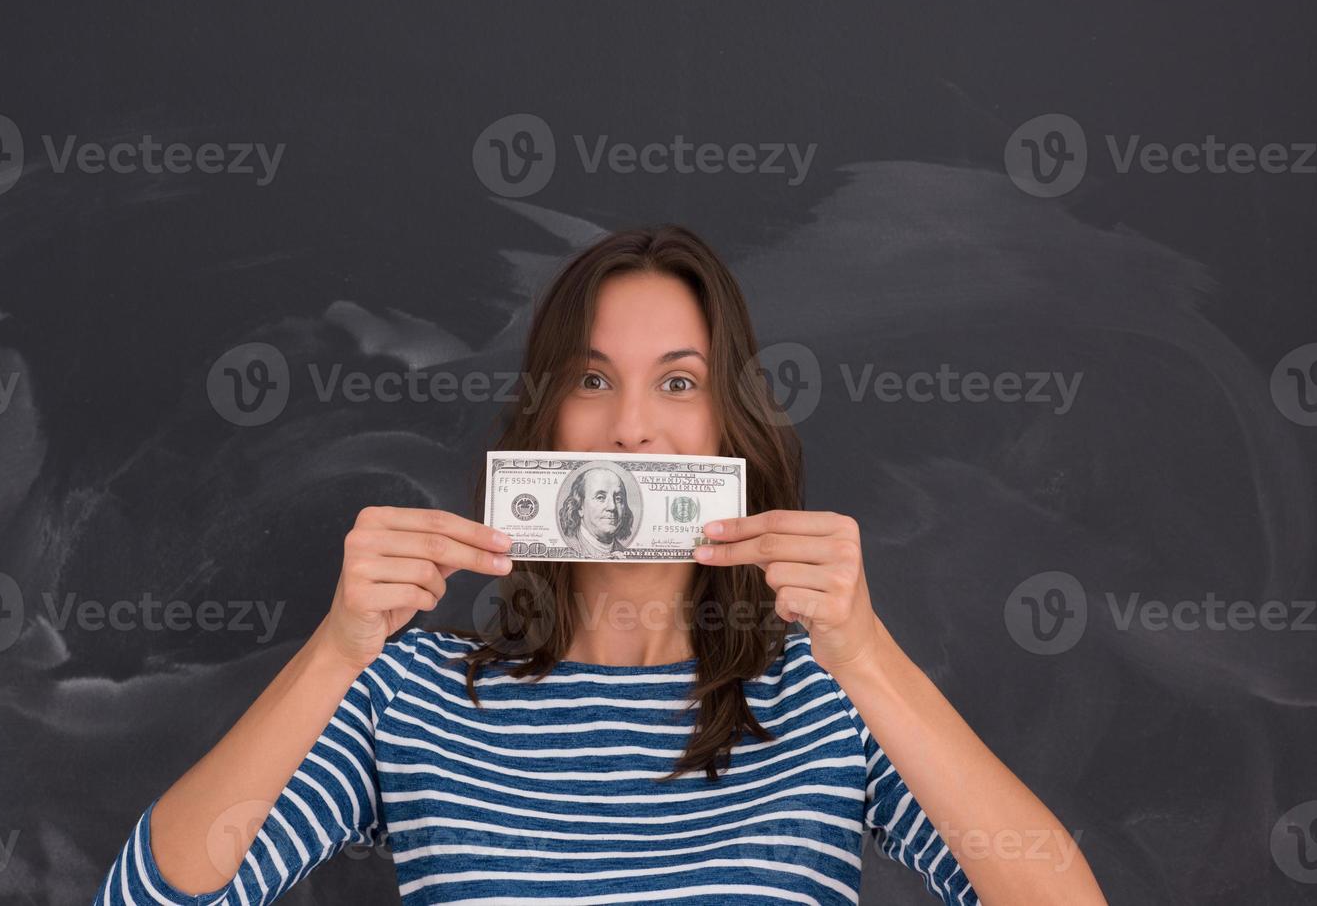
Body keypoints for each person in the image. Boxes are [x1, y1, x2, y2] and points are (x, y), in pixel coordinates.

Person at [93, 225, 1107, 905]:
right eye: (591, 378)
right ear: (545, 417)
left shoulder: (828, 699)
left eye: (676, 381)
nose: (630, 429)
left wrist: (869, 657)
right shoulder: (407, 694)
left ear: (728, 431)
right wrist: (332, 650)